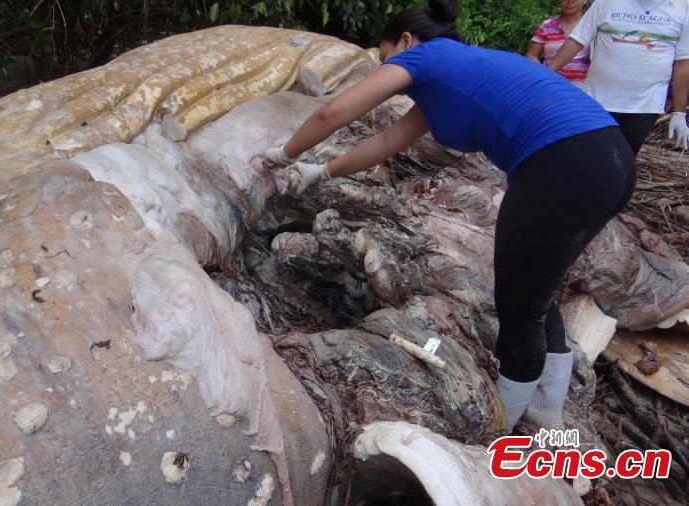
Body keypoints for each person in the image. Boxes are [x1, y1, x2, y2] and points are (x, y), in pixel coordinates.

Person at [264, 0, 636, 430]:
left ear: (405, 41)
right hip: (609, 160)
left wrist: (284, 153)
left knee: (517, 307)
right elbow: (385, 142)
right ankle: (546, 408)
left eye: (384, 57)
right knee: (536, 290)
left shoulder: (427, 56)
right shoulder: (450, 78)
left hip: (564, 163)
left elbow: (334, 111)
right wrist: (320, 170)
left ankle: (501, 424)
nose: (386, 70)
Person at [549, 0, 689, 153]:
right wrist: (546, 74)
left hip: (645, 105)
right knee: (588, 155)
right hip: (597, 100)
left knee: (624, 160)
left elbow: (683, 63)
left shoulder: (683, 6)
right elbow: (577, 39)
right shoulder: (607, 2)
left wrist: (679, 113)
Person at [527, 0, 591, 88]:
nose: (570, 1)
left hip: (583, 91)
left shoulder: (592, 27)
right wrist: (542, 73)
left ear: (585, 1)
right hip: (551, 87)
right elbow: (532, 54)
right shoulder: (547, 25)